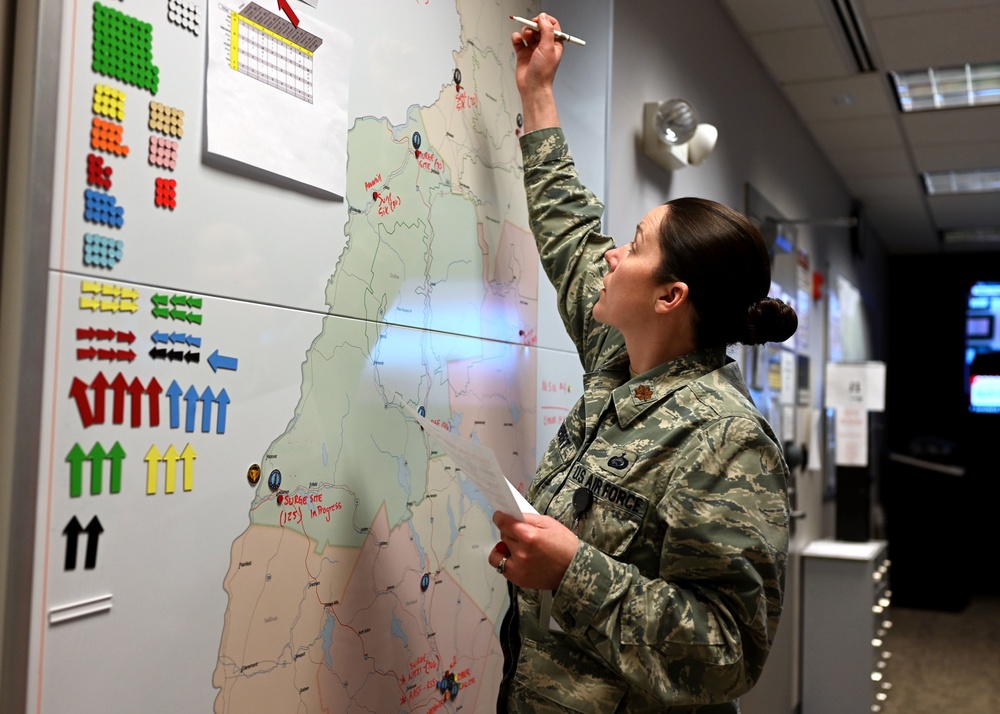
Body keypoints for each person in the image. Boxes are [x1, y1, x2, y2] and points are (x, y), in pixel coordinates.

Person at [488, 14, 798, 714]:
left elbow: (729, 653)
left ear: (670, 296)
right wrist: (538, 92)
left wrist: (572, 571)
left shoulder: (726, 442)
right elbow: (569, 228)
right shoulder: (615, 361)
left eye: (632, 242)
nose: (610, 254)